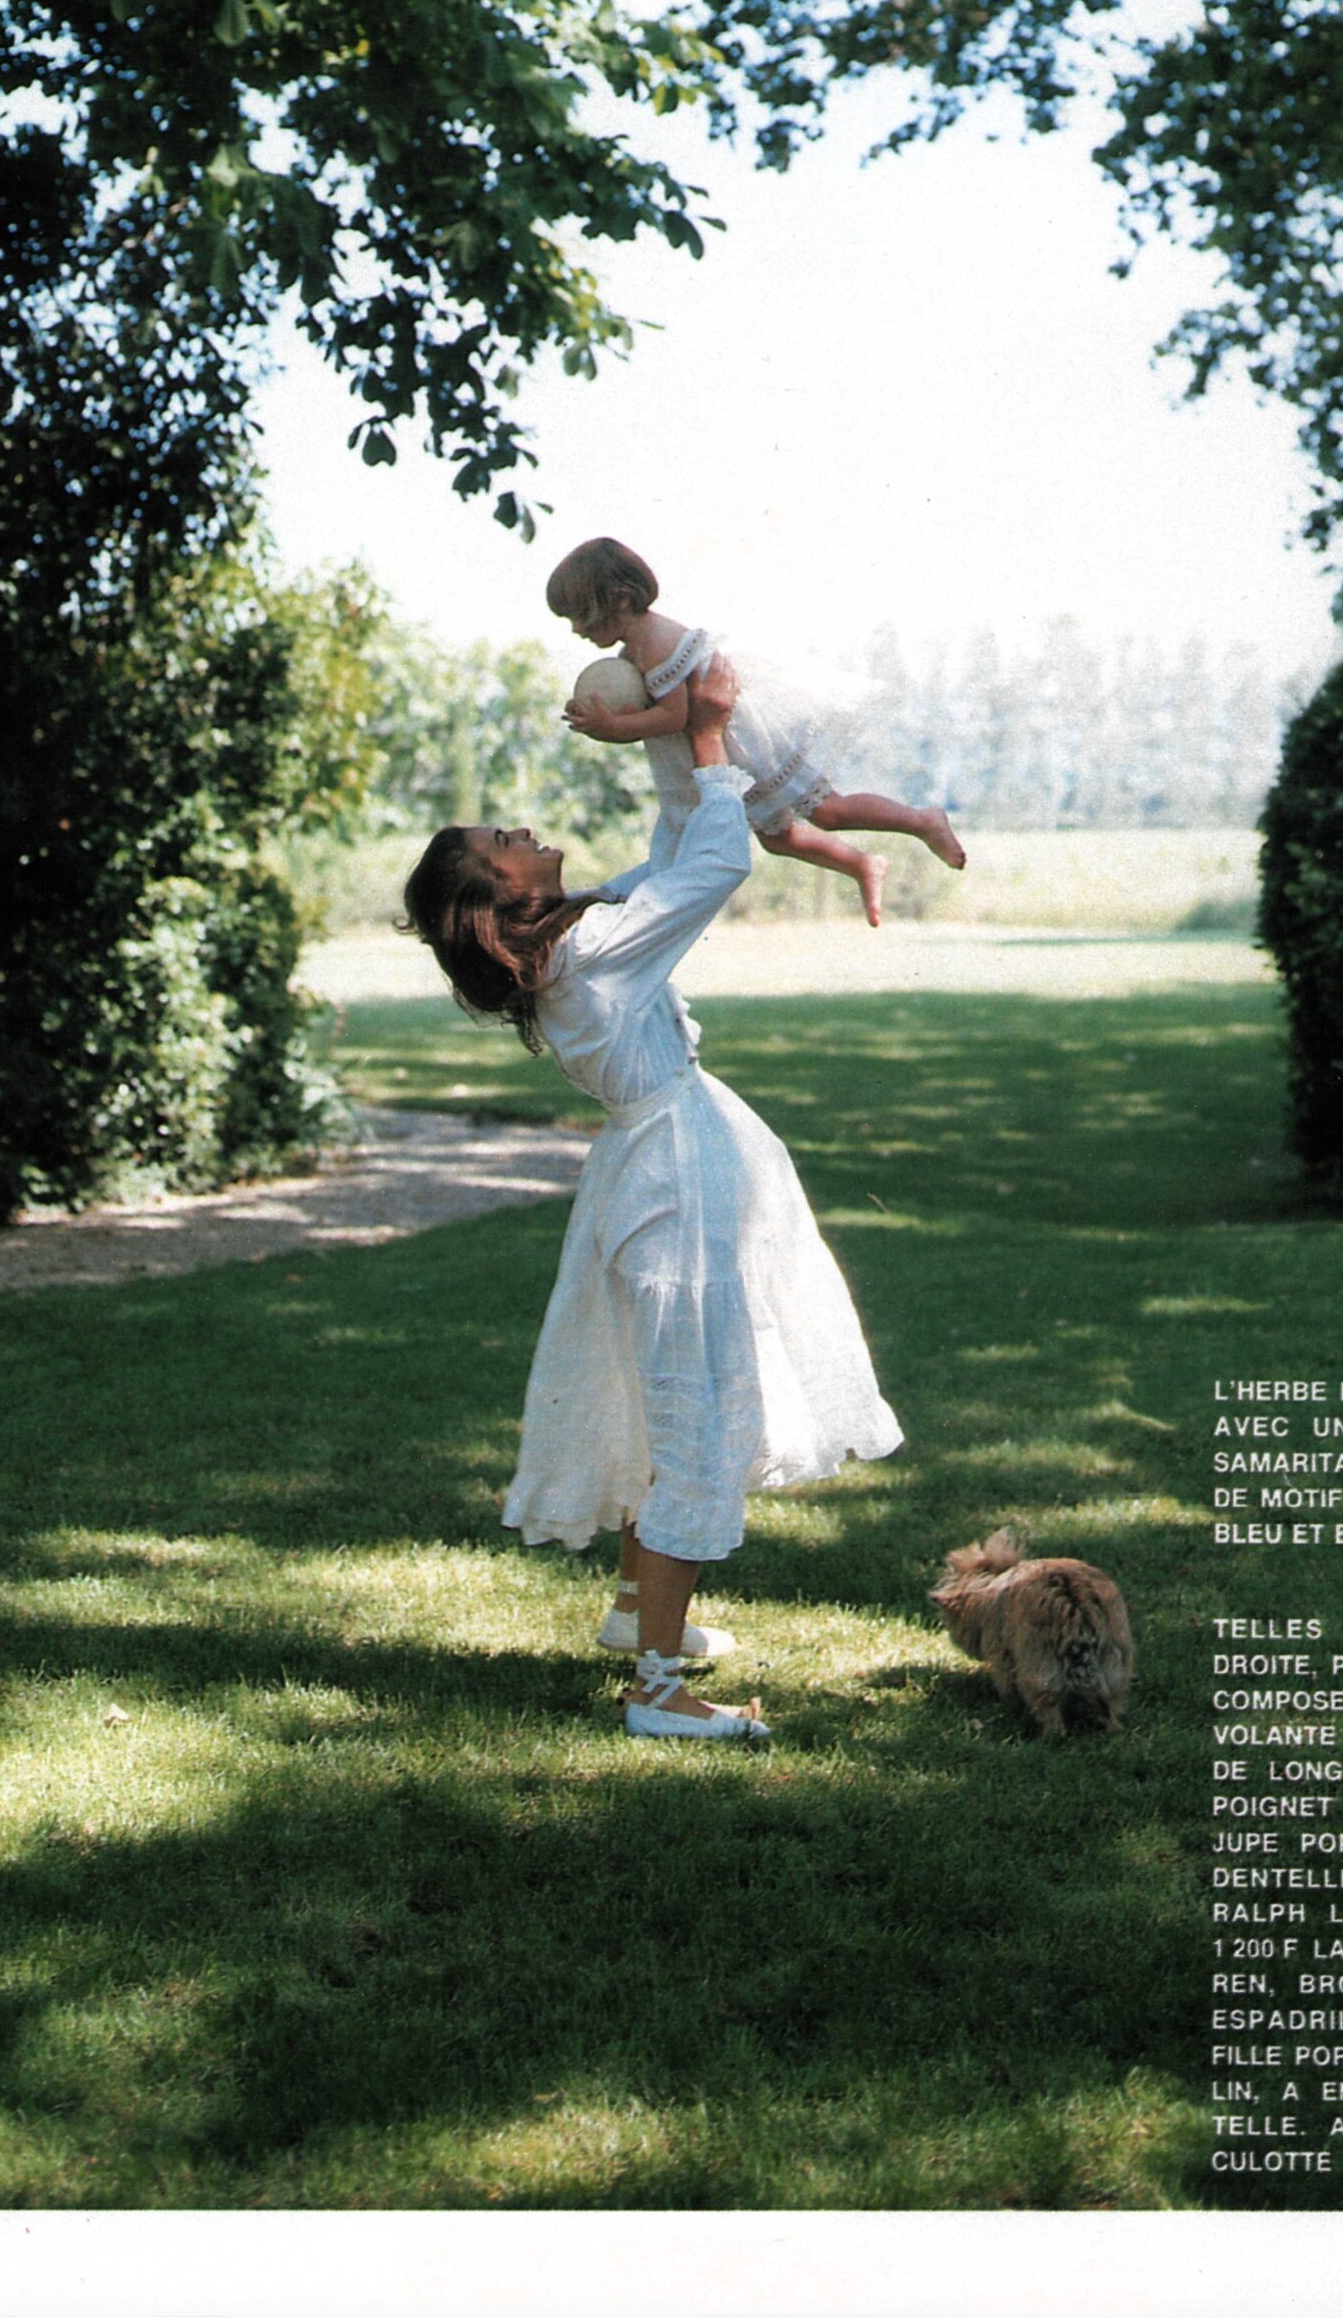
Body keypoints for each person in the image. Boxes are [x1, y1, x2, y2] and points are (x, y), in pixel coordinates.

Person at [401, 650, 904, 1744]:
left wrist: (678, 740)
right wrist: (710, 735)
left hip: (658, 1163)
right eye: (502, 842)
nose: (522, 831)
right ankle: (659, 1692)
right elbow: (713, 866)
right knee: (695, 1409)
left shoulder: (577, 943)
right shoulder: (592, 951)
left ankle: (640, 1612)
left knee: (665, 1397)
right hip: (672, 1179)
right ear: (503, 896)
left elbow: (675, 852)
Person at [546, 534, 965, 928]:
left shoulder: (657, 643)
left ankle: (922, 820)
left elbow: (673, 718)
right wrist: (601, 719)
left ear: (620, 599)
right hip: (724, 751)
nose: (577, 630)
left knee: (827, 811)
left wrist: (615, 725)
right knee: (778, 838)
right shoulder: (633, 651)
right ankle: (860, 864)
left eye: (581, 616)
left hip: (745, 742)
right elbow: (650, 712)